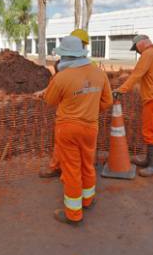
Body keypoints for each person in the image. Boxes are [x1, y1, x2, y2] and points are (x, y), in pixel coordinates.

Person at [44, 36, 113, 226]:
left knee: (72, 169)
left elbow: (49, 101)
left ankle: (74, 214)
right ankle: (87, 200)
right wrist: (89, 109)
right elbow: (107, 102)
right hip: (91, 127)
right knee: (87, 164)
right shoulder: (99, 74)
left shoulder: (62, 77)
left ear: (64, 56)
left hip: (67, 128)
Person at [37, 28, 92, 179]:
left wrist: (47, 94)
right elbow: (57, 82)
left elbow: (56, 89)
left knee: (66, 146)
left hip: (69, 114)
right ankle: (63, 169)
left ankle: (63, 172)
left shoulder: (69, 65)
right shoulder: (86, 65)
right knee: (74, 148)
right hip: (86, 116)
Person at [114, 35, 153, 177]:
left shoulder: (147, 54)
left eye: (136, 48)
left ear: (141, 44)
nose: (137, 51)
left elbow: (136, 75)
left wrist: (121, 90)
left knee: (151, 131)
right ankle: (149, 161)